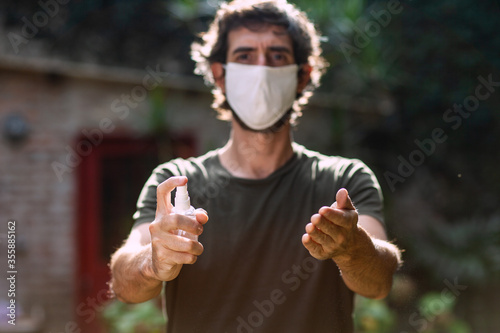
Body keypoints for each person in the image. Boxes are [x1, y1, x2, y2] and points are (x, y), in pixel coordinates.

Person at [110, 0, 402, 332]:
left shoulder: (344, 180)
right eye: (245, 56)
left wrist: (353, 249)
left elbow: (377, 284)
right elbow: (124, 285)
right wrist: (153, 261)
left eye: (277, 56)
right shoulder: (176, 184)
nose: (261, 70)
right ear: (220, 75)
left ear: (302, 76)